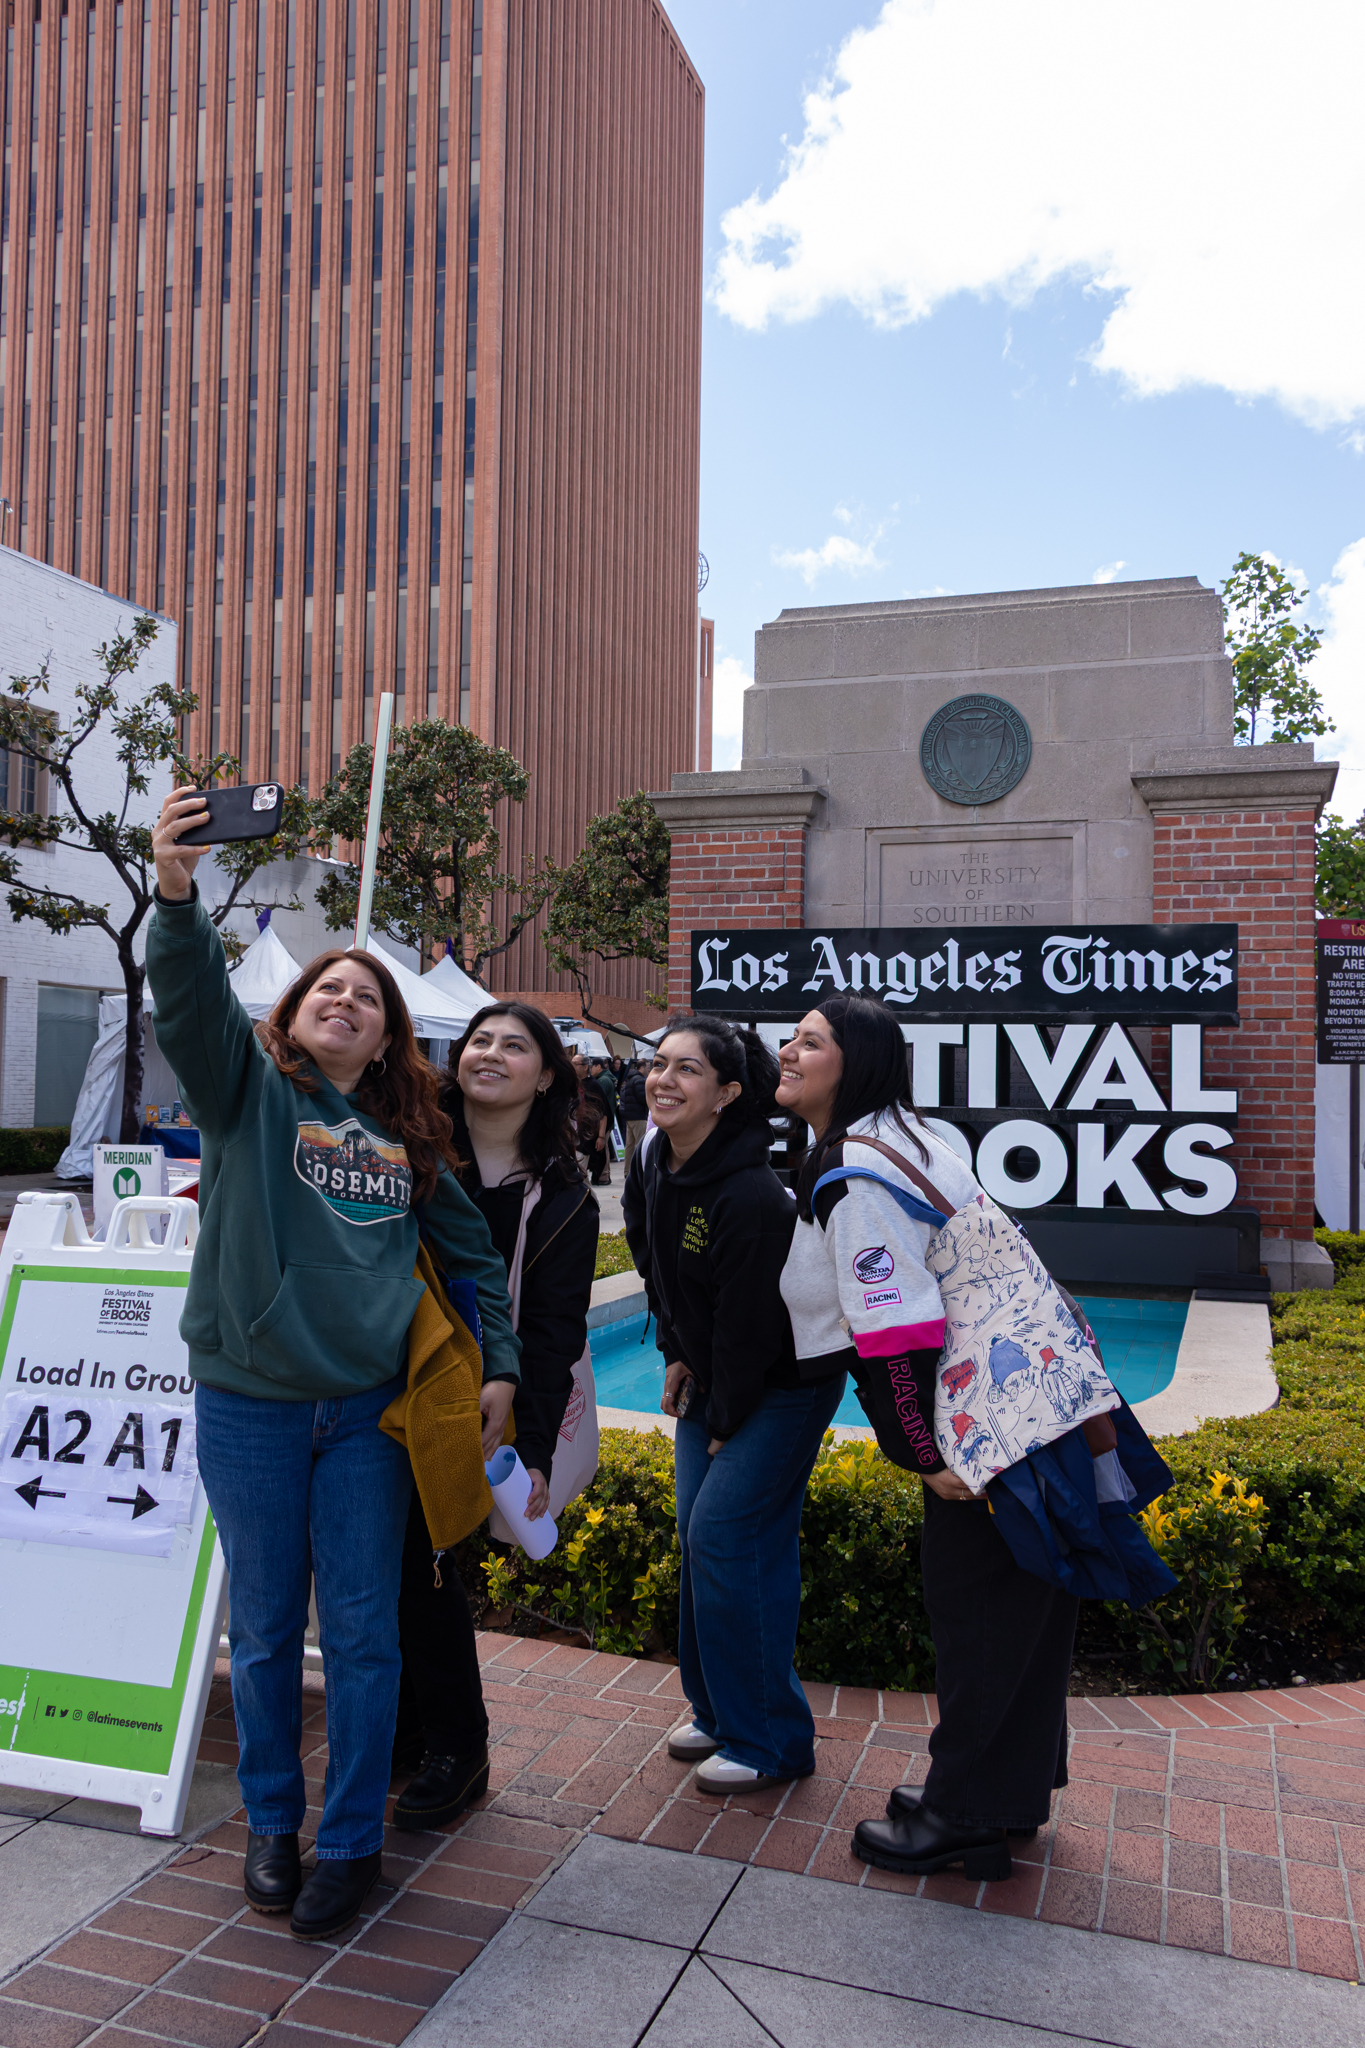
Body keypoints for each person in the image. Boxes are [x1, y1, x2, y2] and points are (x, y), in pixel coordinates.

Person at [145, 788, 520, 1942]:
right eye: (328, 988)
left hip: (370, 1417)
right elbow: (193, 996)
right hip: (251, 1407)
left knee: (364, 1631)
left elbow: (475, 1261)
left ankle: (351, 1840)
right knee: (261, 1627)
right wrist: (174, 889)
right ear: (295, 1016)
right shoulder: (247, 1095)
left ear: (390, 1034)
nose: (347, 999)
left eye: (368, 995)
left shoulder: (409, 1143)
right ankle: (272, 1822)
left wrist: (499, 1364)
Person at [776, 996, 1078, 1883]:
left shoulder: (860, 1176)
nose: (787, 1052)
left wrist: (922, 1454)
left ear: (854, 1063)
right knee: (1021, 1607)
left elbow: (895, 1334)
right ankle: (1006, 1793)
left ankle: (965, 1818)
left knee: (978, 1612)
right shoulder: (910, 1135)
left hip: (980, 1424)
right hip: (1034, 1401)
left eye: (809, 1042)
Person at [623, 1016, 845, 1793]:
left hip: (783, 1385)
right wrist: (675, 1352)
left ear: (725, 1093)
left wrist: (725, 1423)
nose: (664, 1079)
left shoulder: (750, 1192)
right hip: (717, 1373)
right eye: (659, 1064)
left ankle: (774, 1741)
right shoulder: (655, 1156)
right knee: (702, 1537)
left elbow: (753, 1325)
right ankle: (718, 1713)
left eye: (688, 1070)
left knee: (725, 1536)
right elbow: (652, 1260)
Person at [393, 1003, 599, 1827]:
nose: (491, 1055)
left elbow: (554, 1332)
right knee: (383, 1562)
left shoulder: (563, 1198)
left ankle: (459, 1745)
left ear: (545, 1075)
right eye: (480, 1039)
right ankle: (408, 1732)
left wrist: (536, 1447)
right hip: (384, 1380)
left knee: (434, 1565)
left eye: (516, 1045)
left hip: (482, 1400)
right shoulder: (406, 1149)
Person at [572, 1052, 612, 1185]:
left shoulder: (593, 1085)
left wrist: (601, 1137)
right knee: (578, 1174)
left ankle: (588, 1199)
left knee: (579, 1175)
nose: (572, 1066)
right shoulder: (573, 1084)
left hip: (587, 1136)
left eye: (575, 1064)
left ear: (584, 1067)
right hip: (574, 1134)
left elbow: (603, 1113)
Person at [619, 1059, 649, 1173]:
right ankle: (638, 1172)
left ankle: (627, 1171)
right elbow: (643, 1098)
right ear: (641, 1067)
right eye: (648, 1067)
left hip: (629, 1116)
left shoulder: (630, 1079)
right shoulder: (639, 1080)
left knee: (629, 1145)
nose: (649, 1069)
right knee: (639, 1144)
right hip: (638, 1116)